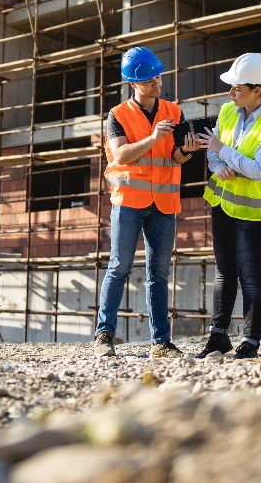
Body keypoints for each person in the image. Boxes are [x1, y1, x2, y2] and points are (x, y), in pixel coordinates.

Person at [93, 47, 202, 358]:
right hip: (129, 201)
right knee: (119, 267)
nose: (157, 82)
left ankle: (162, 342)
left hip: (164, 204)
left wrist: (189, 151)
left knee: (159, 273)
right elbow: (121, 154)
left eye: (158, 75)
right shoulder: (118, 115)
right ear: (134, 83)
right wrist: (154, 137)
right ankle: (104, 335)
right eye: (149, 78)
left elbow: (176, 157)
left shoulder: (174, 111)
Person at [195, 52, 261, 360]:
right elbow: (212, 148)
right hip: (223, 204)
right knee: (224, 273)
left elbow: (260, 169)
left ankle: (250, 341)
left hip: (256, 212)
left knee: (251, 275)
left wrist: (222, 150)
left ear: (258, 90)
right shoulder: (228, 111)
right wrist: (216, 164)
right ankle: (218, 336)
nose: (231, 92)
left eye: (238, 87)